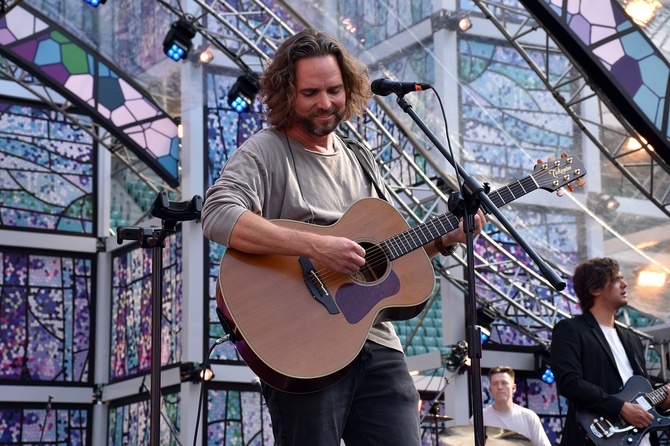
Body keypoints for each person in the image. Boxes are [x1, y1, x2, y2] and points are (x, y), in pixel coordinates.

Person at [201, 28, 486, 446]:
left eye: (334, 90)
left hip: (378, 342)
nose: (325, 103)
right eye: (310, 92)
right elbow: (218, 215)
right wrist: (318, 246)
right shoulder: (266, 150)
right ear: (286, 94)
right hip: (304, 344)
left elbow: (388, 249)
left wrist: (446, 238)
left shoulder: (359, 157)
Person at [551, 257, 670, 446]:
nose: (625, 284)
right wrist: (620, 408)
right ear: (595, 289)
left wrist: (662, 402)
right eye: (616, 280)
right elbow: (569, 382)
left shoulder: (632, 339)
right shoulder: (571, 330)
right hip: (597, 439)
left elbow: (641, 391)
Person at [477, 366, 551, 446]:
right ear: (490, 389)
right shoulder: (479, 418)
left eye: (504, 383)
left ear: (514, 388)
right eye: (495, 384)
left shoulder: (529, 417)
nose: (500, 387)